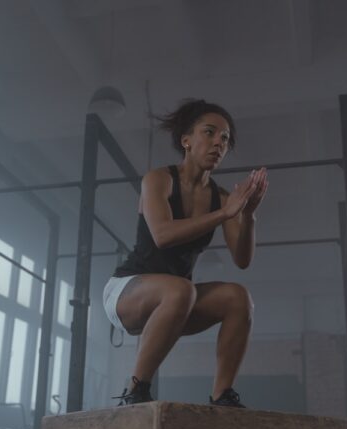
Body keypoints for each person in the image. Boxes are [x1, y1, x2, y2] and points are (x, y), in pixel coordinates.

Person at [102, 99, 268, 407]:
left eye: (225, 138)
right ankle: (135, 390)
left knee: (238, 297)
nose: (219, 142)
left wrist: (248, 215)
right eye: (210, 132)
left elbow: (242, 260)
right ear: (186, 140)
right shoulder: (158, 179)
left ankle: (221, 396)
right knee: (181, 289)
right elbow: (162, 236)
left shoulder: (221, 198)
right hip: (127, 292)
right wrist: (224, 214)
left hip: (177, 301)